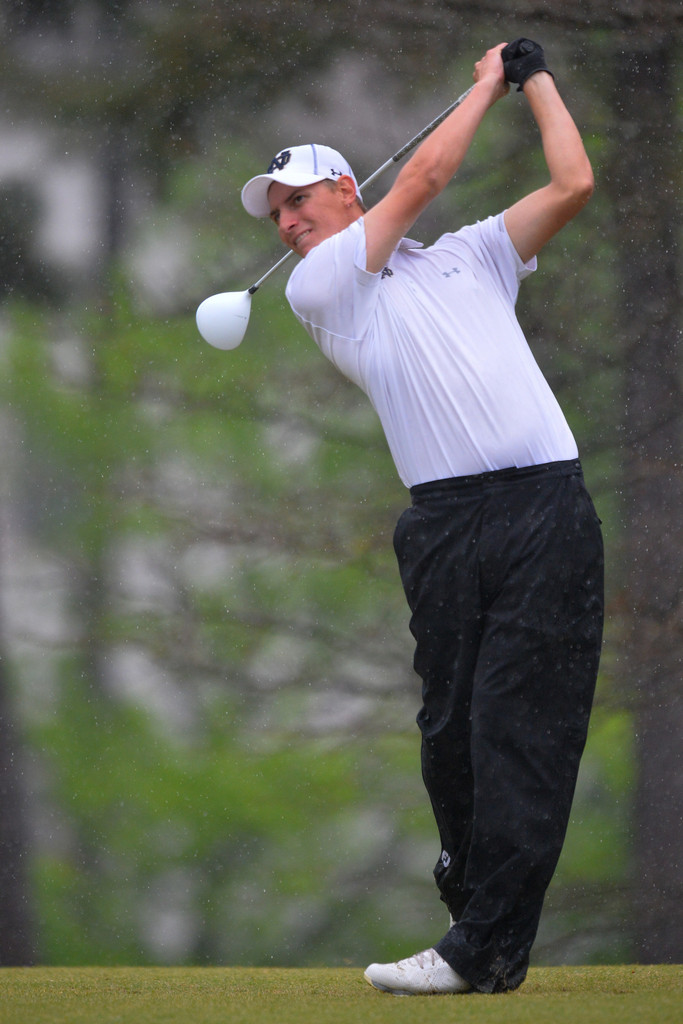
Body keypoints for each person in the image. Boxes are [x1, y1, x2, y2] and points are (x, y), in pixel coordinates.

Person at [240, 39, 604, 996]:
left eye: (298, 203)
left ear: (347, 191)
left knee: (516, 729)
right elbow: (433, 168)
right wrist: (486, 84)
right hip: (444, 526)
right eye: (276, 215)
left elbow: (571, 181)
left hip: (544, 509)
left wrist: (536, 84)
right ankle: (473, 908)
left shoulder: (473, 257)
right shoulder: (325, 286)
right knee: (451, 731)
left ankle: (478, 949)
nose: (285, 225)